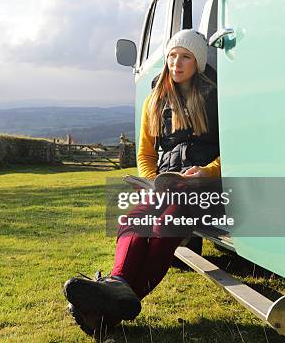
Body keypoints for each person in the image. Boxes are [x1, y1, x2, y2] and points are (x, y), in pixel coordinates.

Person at [63, 29, 221, 337]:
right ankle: (115, 292)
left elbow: (236, 151)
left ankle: (104, 306)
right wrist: (151, 181)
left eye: (186, 57)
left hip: (204, 186)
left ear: (198, 62)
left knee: (168, 223)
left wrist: (207, 171)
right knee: (136, 217)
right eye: (172, 56)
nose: (176, 63)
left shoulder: (215, 99)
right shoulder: (155, 100)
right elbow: (145, 154)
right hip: (165, 185)